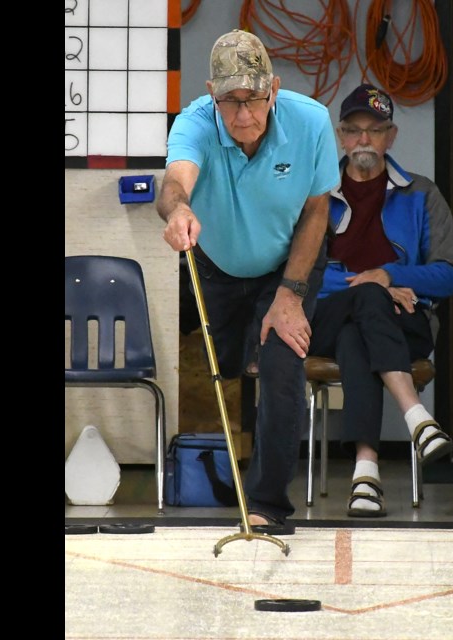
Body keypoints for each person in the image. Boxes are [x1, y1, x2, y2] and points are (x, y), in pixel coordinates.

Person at [156, 29, 341, 530]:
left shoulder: (311, 122)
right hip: (218, 265)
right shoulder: (195, 121)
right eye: (229, 101)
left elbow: (317, 209)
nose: (242, 115)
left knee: (282, 363)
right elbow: (174, 182)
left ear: (274, 90)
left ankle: (266, 508)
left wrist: (290, 295)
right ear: (212, 94)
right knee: (229, 365)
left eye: (253, 100)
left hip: (287, 262)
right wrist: (178, 212)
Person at [307, 83, 453, 518]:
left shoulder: (421, 194)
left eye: (375, 131)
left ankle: (365, 474)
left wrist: (390, 274)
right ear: (340, 135)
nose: (364, 140)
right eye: (354, 130)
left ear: (391, 136)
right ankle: (417, 417)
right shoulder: (318, 196)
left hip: (405, 321)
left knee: (359, 336)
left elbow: (448, 275)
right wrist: (375, 284)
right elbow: (305, 275)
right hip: (327, 319)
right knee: (367, 300)